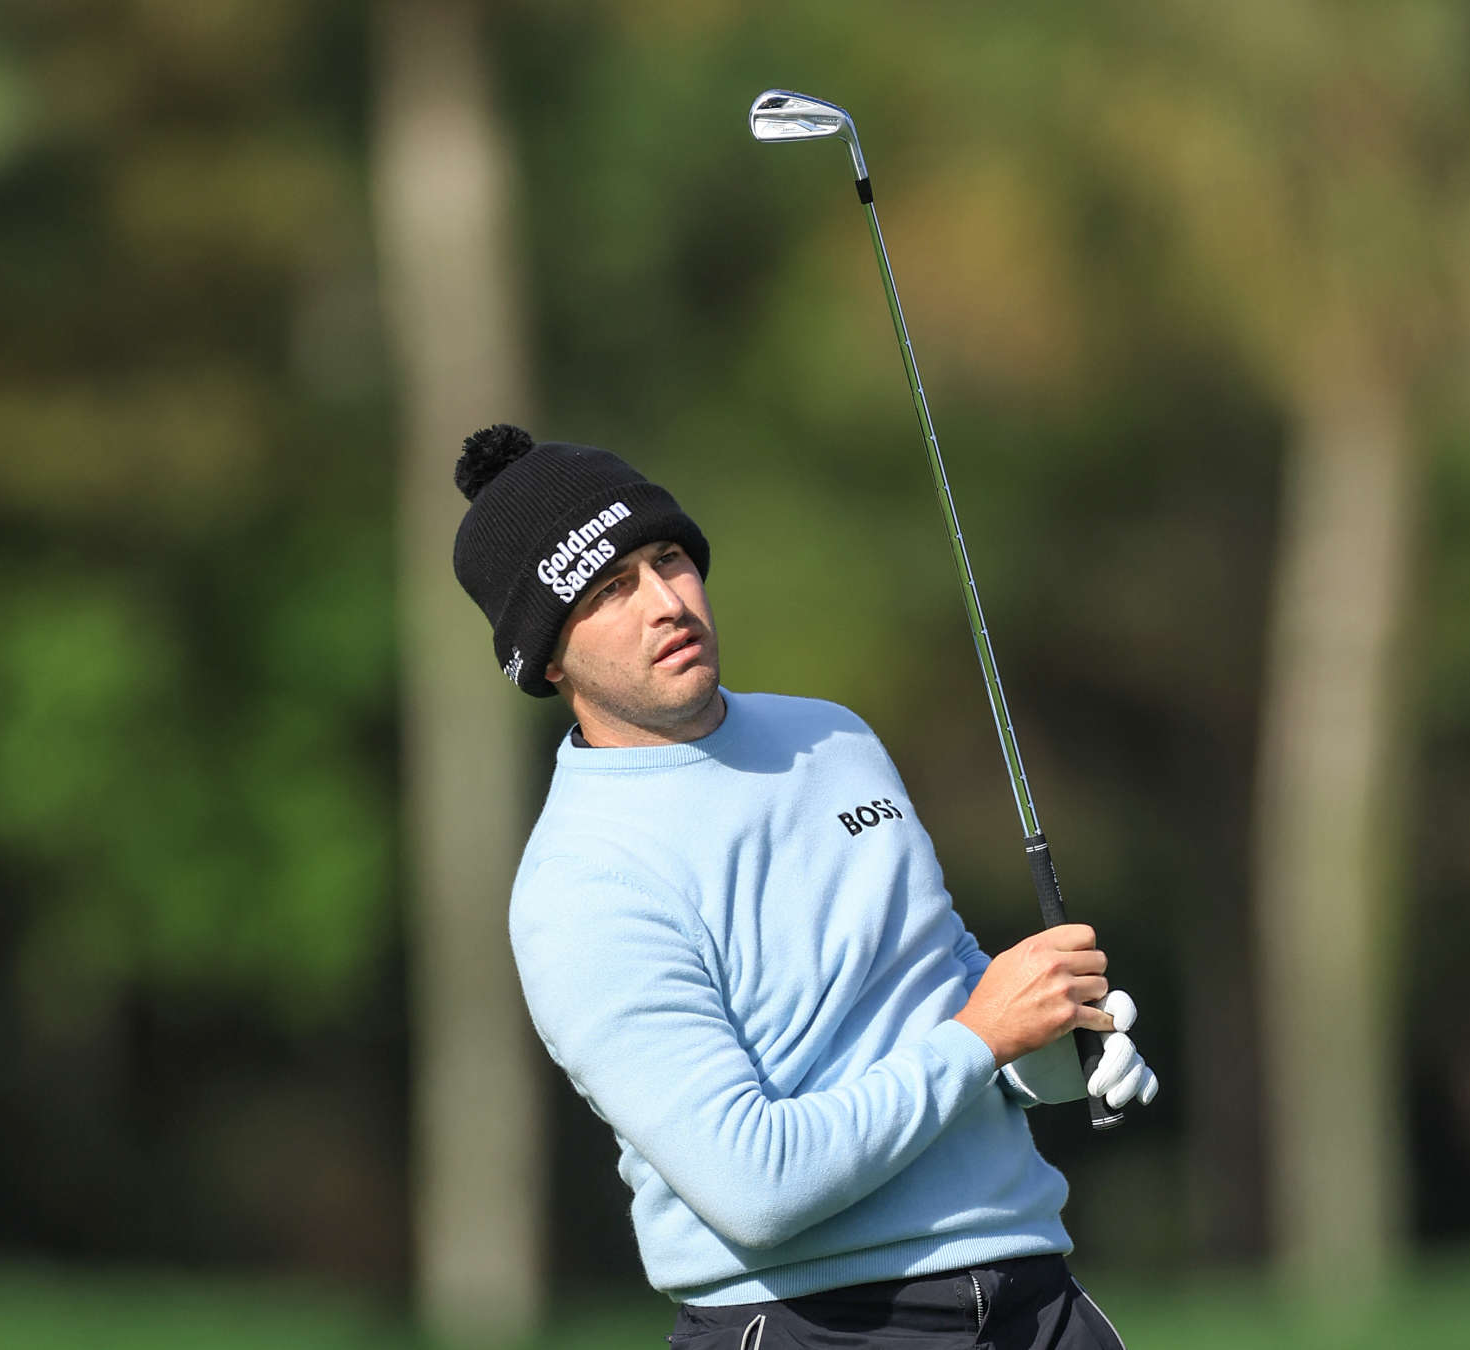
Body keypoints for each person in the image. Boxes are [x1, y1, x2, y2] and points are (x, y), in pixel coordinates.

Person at [451, 425, 1158, 1349]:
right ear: (548, 659)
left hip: (1033, 1291)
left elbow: (938, 990)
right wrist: (984, 1038)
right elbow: (756, 1186)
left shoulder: (835, 738)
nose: (666, 603)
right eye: (610, 591)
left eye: (669, 559)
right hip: (812, 1326)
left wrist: (1055, 1047)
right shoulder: (581, 884)